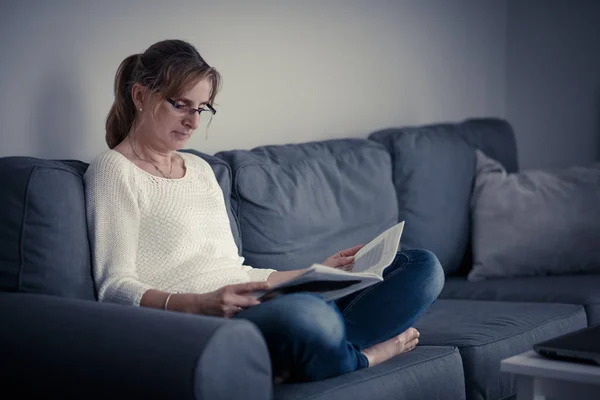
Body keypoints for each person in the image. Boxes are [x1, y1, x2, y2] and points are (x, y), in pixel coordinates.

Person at [84, 39, 445, 383]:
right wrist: (200, 305)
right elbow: (114, 287)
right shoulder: (113, 170)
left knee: (421, 268)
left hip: (257, 302)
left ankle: (314, 353)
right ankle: (363, 356)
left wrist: (316, 272)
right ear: (141, 96)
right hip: (207, 321)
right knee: (310, 316)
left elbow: (237, 270)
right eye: (181, 105)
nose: (194, 122)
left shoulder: (200, 170)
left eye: (202, 109)